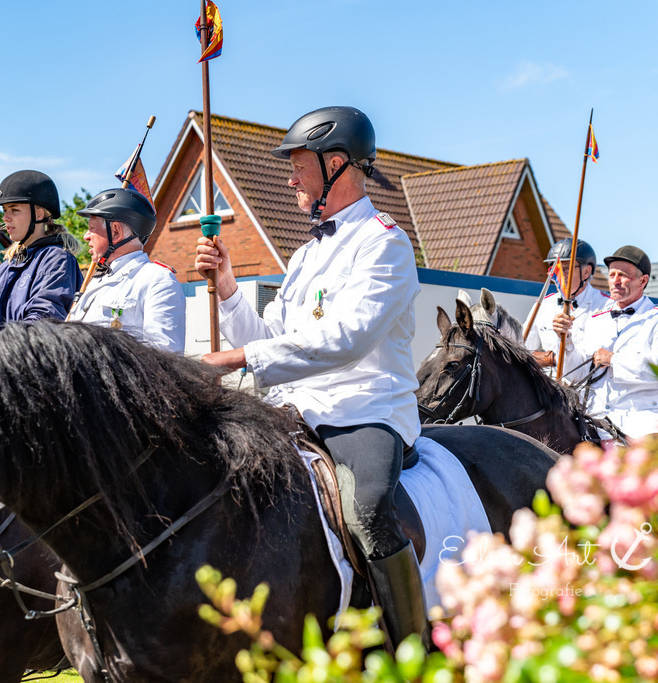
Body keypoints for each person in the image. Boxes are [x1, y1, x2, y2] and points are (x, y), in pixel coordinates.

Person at [194, 106, 427, 651]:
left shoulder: (386, 242)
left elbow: (347, 338)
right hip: (296, 407)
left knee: (367, 511)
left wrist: (236, 358)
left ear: (336, 163)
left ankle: (412, 649)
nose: (290, 179)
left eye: (299, 167)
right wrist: (228, 287)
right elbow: (270, 336)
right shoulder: (303, 255)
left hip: (364, 410)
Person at [561, 245, 658, 439]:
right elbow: (577, 373)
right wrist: (566, 340)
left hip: (641, 424)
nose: (615, 281)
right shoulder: (595, 319)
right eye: (612, 275)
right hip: (593, 419)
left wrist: (614, 360)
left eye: (623, 275)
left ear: (643, 281)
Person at [0, 170, 83, 341]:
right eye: (4, 210)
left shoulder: (57, 260)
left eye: (14, 210)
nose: (5, 218)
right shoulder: (4, 268)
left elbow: (42, 322)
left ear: (38, 214)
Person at [66, 188, 186, 352]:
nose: (86, 236)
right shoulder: (95, 282)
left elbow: (165, 356)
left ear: (116, 231)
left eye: (92, 228)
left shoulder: (157, 280)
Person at [524, 238, 609, 381]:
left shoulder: (607, 306)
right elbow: (523, 350)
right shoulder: (543, 305)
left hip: (587, 389)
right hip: (548, 388)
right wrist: (551, 358)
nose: (559, 276)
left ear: (586, 272)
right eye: (554, 269)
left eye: (566, 269)